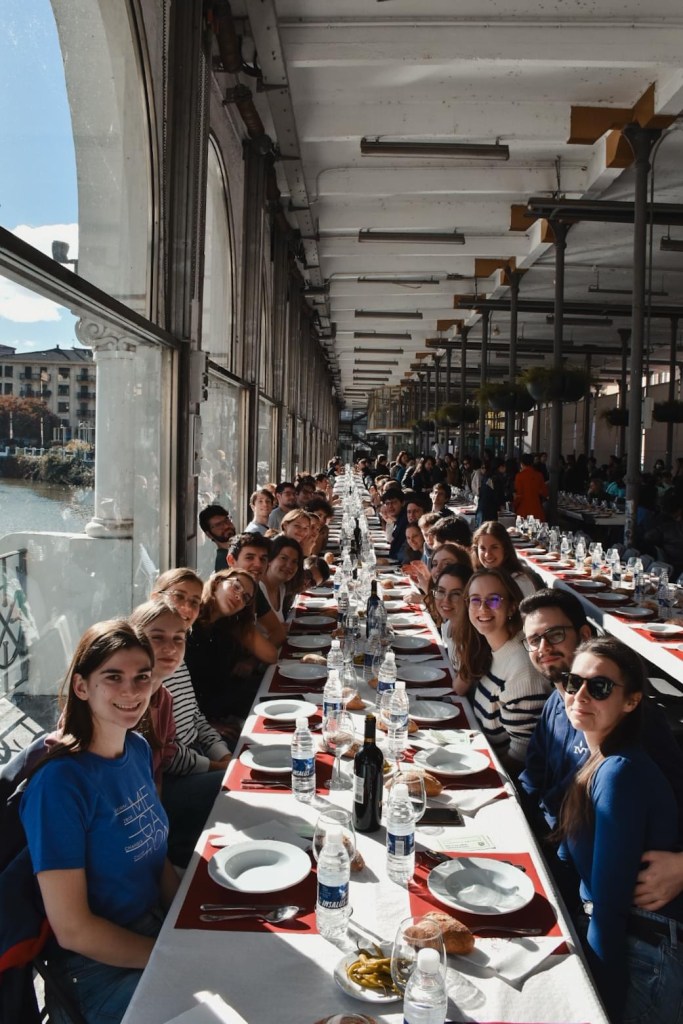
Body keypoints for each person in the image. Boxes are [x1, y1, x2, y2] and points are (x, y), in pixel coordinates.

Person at [19, 620, 179, 1024]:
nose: (132, 690)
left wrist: (188, 921)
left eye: (142, 676)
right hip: (94, 970)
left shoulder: (137, 749)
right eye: (113, 677)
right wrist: (171, 955)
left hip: (153, 930)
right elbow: (74, 930)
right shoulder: (59, 785)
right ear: (81, 687)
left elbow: (156, 857)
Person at [518, 588, 683, 911]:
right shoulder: (557, 703)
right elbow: (531, 781)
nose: (543, 648)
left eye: (554, 634)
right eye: (534, 640)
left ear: (584, 635)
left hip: (610, 885)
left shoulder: (634, 722)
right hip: (555, 854)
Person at [556, 637, 683, 1023]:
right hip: (616, 934)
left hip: (642, 952)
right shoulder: (600, 758)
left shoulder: (620, 773)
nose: (580, 695)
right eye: (573, 682)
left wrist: (599, 1007)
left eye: (599, 687)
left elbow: (608, 910)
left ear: (631, 701)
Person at [150, 568, 231, 867]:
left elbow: (195, 716)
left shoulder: (176, 653)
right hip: (168, 781)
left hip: (194, 759)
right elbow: (167, 755)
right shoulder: (149, 665)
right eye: (178, 597)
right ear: (155, 597)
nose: (186, 608)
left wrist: (223, 754)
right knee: (237, 785)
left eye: (194, 602)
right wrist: (219, 767)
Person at [455, 569, 550, 772]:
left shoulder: (522, 668)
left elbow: (521, 756)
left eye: (494, 600)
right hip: (478, 753)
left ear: (512, 607)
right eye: (475, 600)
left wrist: (472, 773)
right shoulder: (490, 647)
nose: (483, 608)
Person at [185, 568, 276, 733]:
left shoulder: (227, 628)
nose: (238, 597)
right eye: (236, 587)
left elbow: (271, 655)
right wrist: (208, 726)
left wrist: (249, 660)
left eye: (245, 598)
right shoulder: (188, 622)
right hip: (199, 723)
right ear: (217, 583)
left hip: (223, 709)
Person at [227, 533, 287, 647]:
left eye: (263, 559)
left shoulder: (254, 588)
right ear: (231, 561)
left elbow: (278, 631)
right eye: (249, 558)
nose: (258, 564)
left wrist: (257, 657)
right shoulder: (222, 593)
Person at [471, 520, 539, 597]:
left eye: (494, 547)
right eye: (483, 548)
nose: (487, 554)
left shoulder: (520, 582)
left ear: (505, 549)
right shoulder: (477, 579)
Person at [433, 563, 473, 670]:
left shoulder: (473, 639)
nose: (446, 600)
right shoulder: (448, 625)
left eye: (456, 594)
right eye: (441, 591)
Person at [260, 535, 305, 622]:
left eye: (294, 561)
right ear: (269, 560)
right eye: (283, 558)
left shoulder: (281, 588)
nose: (289, 566)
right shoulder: (259, 589)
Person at [198, 503, 236, 571]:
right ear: (209, 534)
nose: (226, 526)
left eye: (226, 520)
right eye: (218, 525)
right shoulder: (223, 563)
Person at [513, 454, 548, 521]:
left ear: (521, 463)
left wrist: (514, 505)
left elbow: (519, 495)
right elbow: (545, 493)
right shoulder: (539, 475)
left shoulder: (519, 476)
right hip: (537, 509)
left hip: (523, 510)